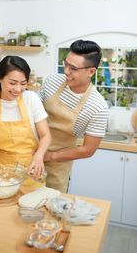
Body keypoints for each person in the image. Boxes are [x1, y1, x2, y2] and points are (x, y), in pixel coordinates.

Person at [39, 39, 109, 193]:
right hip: (29, 152)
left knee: (50, 209)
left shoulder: (97, 107)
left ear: (91, 71)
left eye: (73, 68)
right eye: (65, 64)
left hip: (57, 165)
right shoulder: (52, 82)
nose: (66, 71)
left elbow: (87, 150)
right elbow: (32, 114)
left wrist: (49, 156)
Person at [0, 55, 51, 192]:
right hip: (2, 177)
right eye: (12, 83)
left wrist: (39, 155)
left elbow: (45, 135)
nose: (18, 89)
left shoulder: (31, 99)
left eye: (23, 84)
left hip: (32, 172)